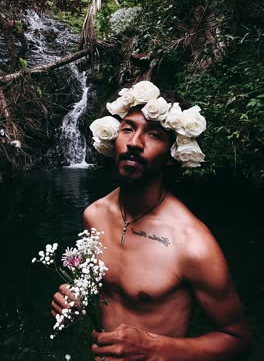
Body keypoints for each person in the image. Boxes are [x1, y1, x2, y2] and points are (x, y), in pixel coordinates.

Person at [51, 81, 251, 360]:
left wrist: (154, 347)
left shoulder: (192, 243)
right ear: (113, 138)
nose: (134, 143)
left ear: (172, 155)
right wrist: (74, 297)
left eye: (154, 134)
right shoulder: (94, 215)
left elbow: (238, 338)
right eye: (128, 128)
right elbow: (104, 291)